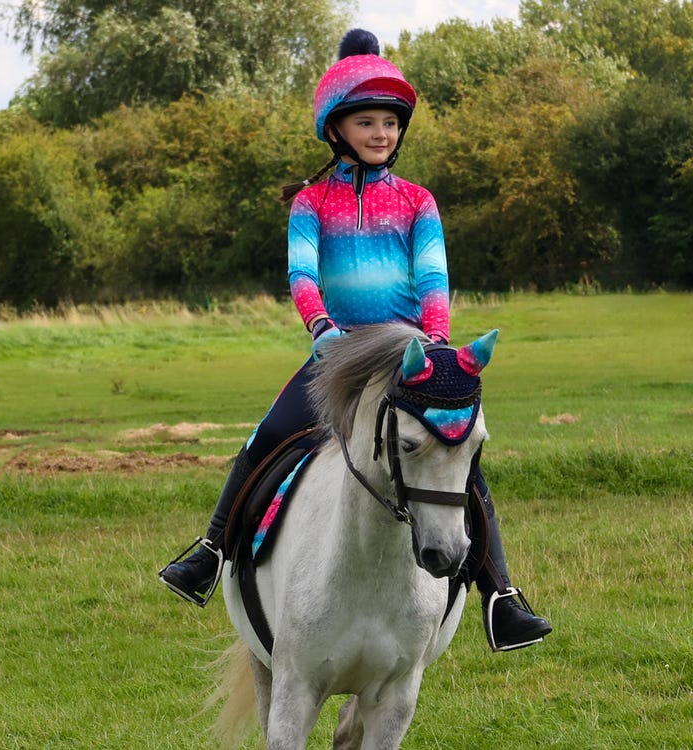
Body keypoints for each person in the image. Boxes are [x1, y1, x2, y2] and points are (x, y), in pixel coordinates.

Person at [160, 29, 551, 651]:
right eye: (367, 122)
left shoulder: (418, 202)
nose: (382, 133)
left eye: (391, 123)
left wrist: (437, 346)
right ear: (337, 130)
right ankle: (208, 552)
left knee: (459, 453)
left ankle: (501, 593)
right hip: (338, 355)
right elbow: (302, 274)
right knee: (268, 436)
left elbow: (432, 278)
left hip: (410, 356)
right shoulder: (311, 203)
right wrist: (321, 329)